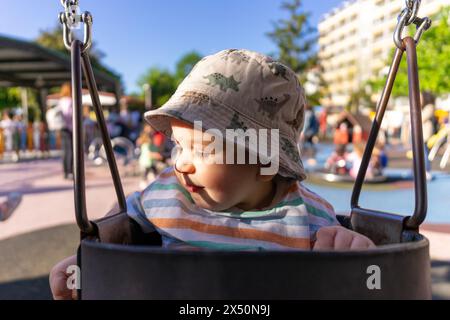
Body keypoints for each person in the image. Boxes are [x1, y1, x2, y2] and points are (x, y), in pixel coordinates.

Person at [49, 49, 375, 300]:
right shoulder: (167, 193)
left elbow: (345, 261)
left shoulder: (308, 216)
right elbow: (119, 223)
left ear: (266, 162)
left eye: (202, 150)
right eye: (179, 146)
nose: (182, 164)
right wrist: (87, 260)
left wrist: (350, 247)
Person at [136, 123, 163, 189]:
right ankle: (145, 186)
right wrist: (156, 155)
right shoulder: (146, 144)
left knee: (153, 172)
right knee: (146, 174)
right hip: (146, 162)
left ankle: (153, 184)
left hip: (149, 161)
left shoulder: (149, 141)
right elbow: (148, 153)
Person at [56, 83, 74, 179]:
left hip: (62, 127)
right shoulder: (69, 101)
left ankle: (65, 172)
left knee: (65, 150)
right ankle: (70, 171)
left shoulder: (60, 101)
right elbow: (68, 113)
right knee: (70, 150)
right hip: (69, 127)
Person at [420, 91, 436, 181]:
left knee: (424, 152)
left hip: (425, 133)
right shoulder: (423, 107)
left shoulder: (429, 107)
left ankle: (427, 170)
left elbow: (421, 118)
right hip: (422, 133)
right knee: (419, 152)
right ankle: (417, 170)